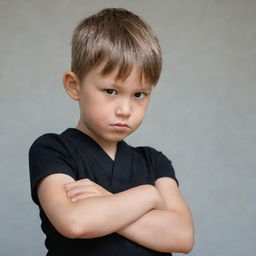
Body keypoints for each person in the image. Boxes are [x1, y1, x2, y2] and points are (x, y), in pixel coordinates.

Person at [28, 8, 195, 256]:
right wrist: (149, 196)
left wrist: (104, 199)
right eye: (110, 91)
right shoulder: (53, 150)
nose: (125, 109)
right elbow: (75, 222)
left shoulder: (154, 162)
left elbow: (182, 237)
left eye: (139, 94)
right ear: (74, 86)